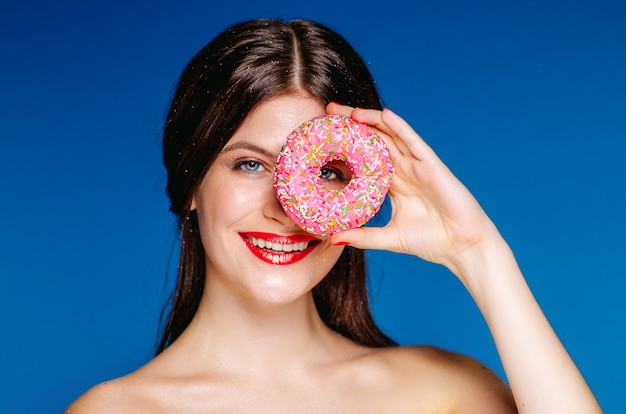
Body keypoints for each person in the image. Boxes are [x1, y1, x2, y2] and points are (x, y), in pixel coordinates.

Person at [66, 19, 601, 413]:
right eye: (250, 164)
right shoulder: (117, 409)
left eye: (325, 173)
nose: (285, 208)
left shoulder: (445, 394)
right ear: (191, 183)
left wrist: (478, 252)